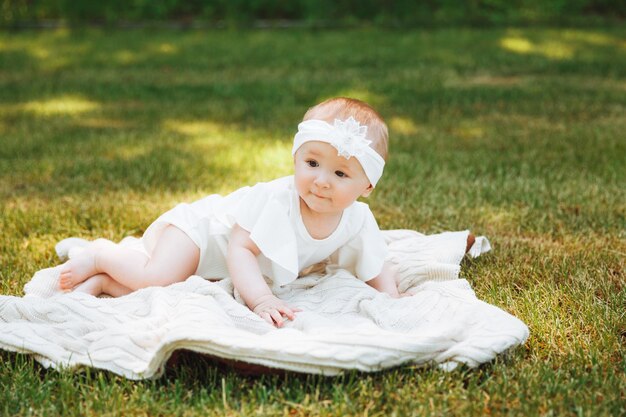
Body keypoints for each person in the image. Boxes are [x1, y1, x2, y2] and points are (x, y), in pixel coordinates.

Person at [59, 97, 400, 327]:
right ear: (296, 158)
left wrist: (393, 299)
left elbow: (376, 261)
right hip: (202, 236)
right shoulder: (277, 201)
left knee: (167, 292)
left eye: (340, 174)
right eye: (311, 163)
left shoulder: (357, 219)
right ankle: (103, 255)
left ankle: (105, 281)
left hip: (217, 268)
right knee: (157, 277)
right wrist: (262, 300)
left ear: (367, 186)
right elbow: (240, 248)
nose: (321, 181)